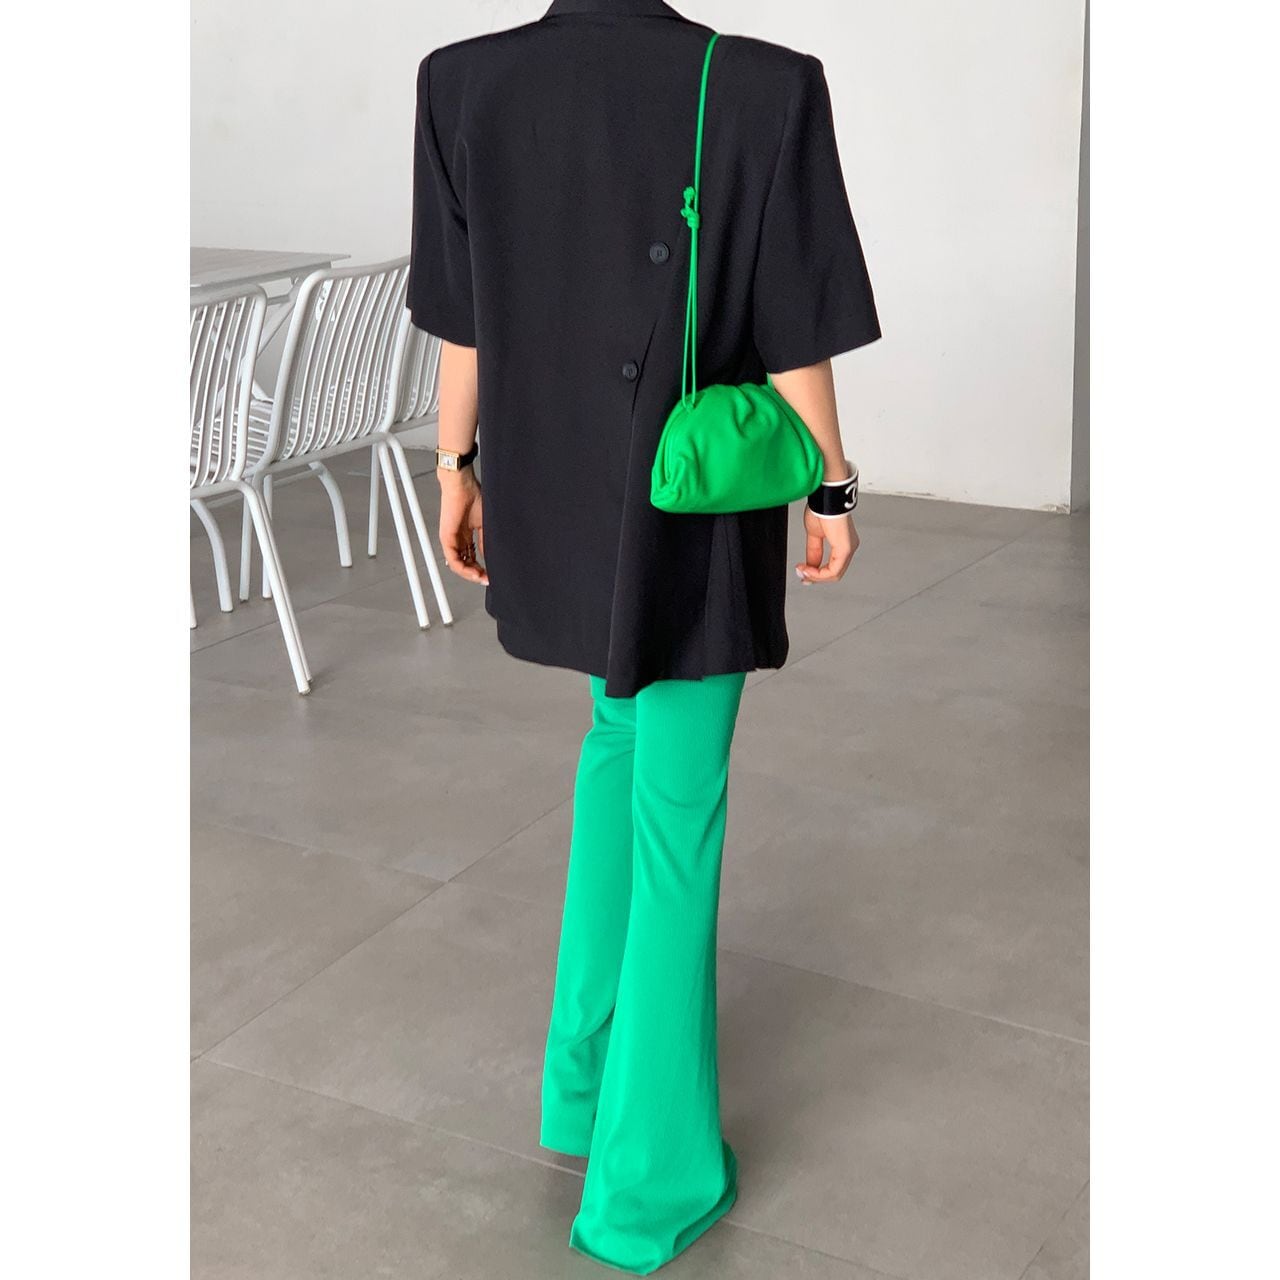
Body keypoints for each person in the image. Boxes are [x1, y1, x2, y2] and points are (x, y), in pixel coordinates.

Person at [409, 0, 879, 1272]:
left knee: (615, 745)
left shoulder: (460, 81)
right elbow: (793, 324)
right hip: (684, 507)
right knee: (677, 816)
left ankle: (579, 1088)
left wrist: (454, 466)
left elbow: (462, 316)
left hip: (551, 493)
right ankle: (644, 1187)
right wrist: (830, 484)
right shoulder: (764, 84)